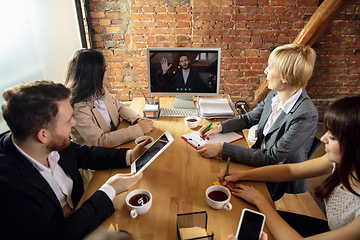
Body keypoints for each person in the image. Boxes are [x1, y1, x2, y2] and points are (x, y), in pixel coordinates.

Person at [0, 80, 150, 240]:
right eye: (68, 121)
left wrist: (130, 155)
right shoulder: (7, 191)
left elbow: (86, 155)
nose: (74, 123)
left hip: (85, 217)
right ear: (43, 135)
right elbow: (59, 235)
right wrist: (109, 189)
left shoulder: (45, 143)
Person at [219, 95, 360, 239]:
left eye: (333, 137)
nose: (323, 138)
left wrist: (261, 201)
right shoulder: (341, 162)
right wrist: (241, 175)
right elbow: (290, 170)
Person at [198, 44, 318, 199]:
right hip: (258, 157)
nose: (265, 71)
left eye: (270, 67)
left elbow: (271, 157)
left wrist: (222, 149)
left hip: (275, 175)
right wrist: (219, 127)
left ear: (285, 77)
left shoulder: (306, 114)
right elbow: (250, 118)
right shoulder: (275, 93)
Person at [65, 49, 153, 148]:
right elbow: (100, 141)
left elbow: (119, 106)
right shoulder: (76, 107)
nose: (109, 72)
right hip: (99, 156)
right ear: (93, 74)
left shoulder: (99, 88)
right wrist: (138, 129)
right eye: (105, 69)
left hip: (117, 144)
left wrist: (137, 119)